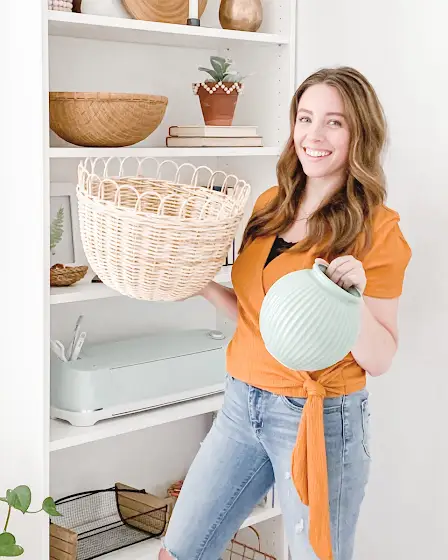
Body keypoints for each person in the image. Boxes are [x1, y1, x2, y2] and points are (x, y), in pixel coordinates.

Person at [159, 67, 411, 560]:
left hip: (318, 418)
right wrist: (201, 285)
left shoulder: (378, 231)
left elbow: (380, 359)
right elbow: (260, 318)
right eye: (305, 118)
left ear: (360, 133)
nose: (314, 135)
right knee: (179, 552)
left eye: (334, 122)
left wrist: (350, 301)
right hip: (241, 404)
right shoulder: (270, 204)